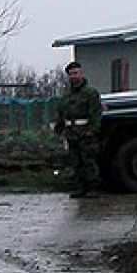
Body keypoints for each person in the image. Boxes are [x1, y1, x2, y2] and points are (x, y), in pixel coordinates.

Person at [56, 60, 102, 197]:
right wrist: (59, 128)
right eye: (71, 74)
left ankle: (93, 188)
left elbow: (96, 113)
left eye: (76, 73)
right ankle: (80, 187)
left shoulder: (90, 93)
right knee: (76, 162)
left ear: (81, 74)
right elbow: (62, 113)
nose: (74, 76)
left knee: (89, 161)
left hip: (85, 132)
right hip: (71, 133)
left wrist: (92, 130)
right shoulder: (67, 95)